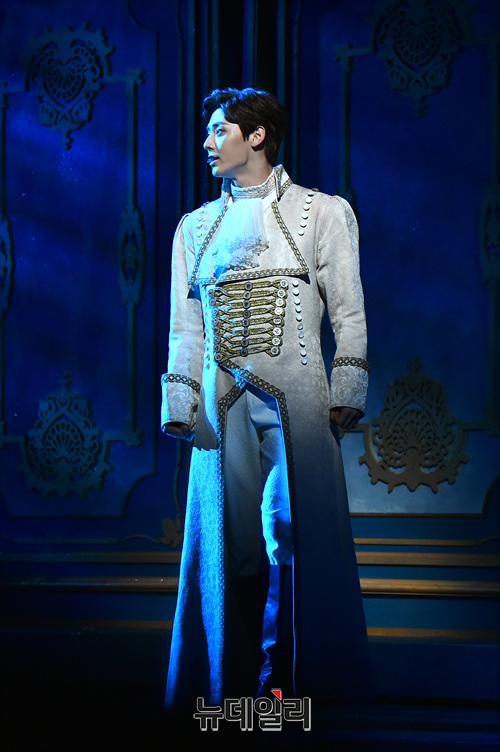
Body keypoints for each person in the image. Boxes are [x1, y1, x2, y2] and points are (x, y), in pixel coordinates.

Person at [161, 87, 371, 708]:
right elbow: (186, 327)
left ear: (256, 136)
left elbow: (349, 308)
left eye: (219, 130)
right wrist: (180, 401)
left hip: (297, 402)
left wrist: (348, 383)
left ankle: (289, 685)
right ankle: (229, 689)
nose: (207, 143)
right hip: (221, 403)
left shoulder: (321, 212)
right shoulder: (195, 227)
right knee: (231, 543)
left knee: (293, 529)